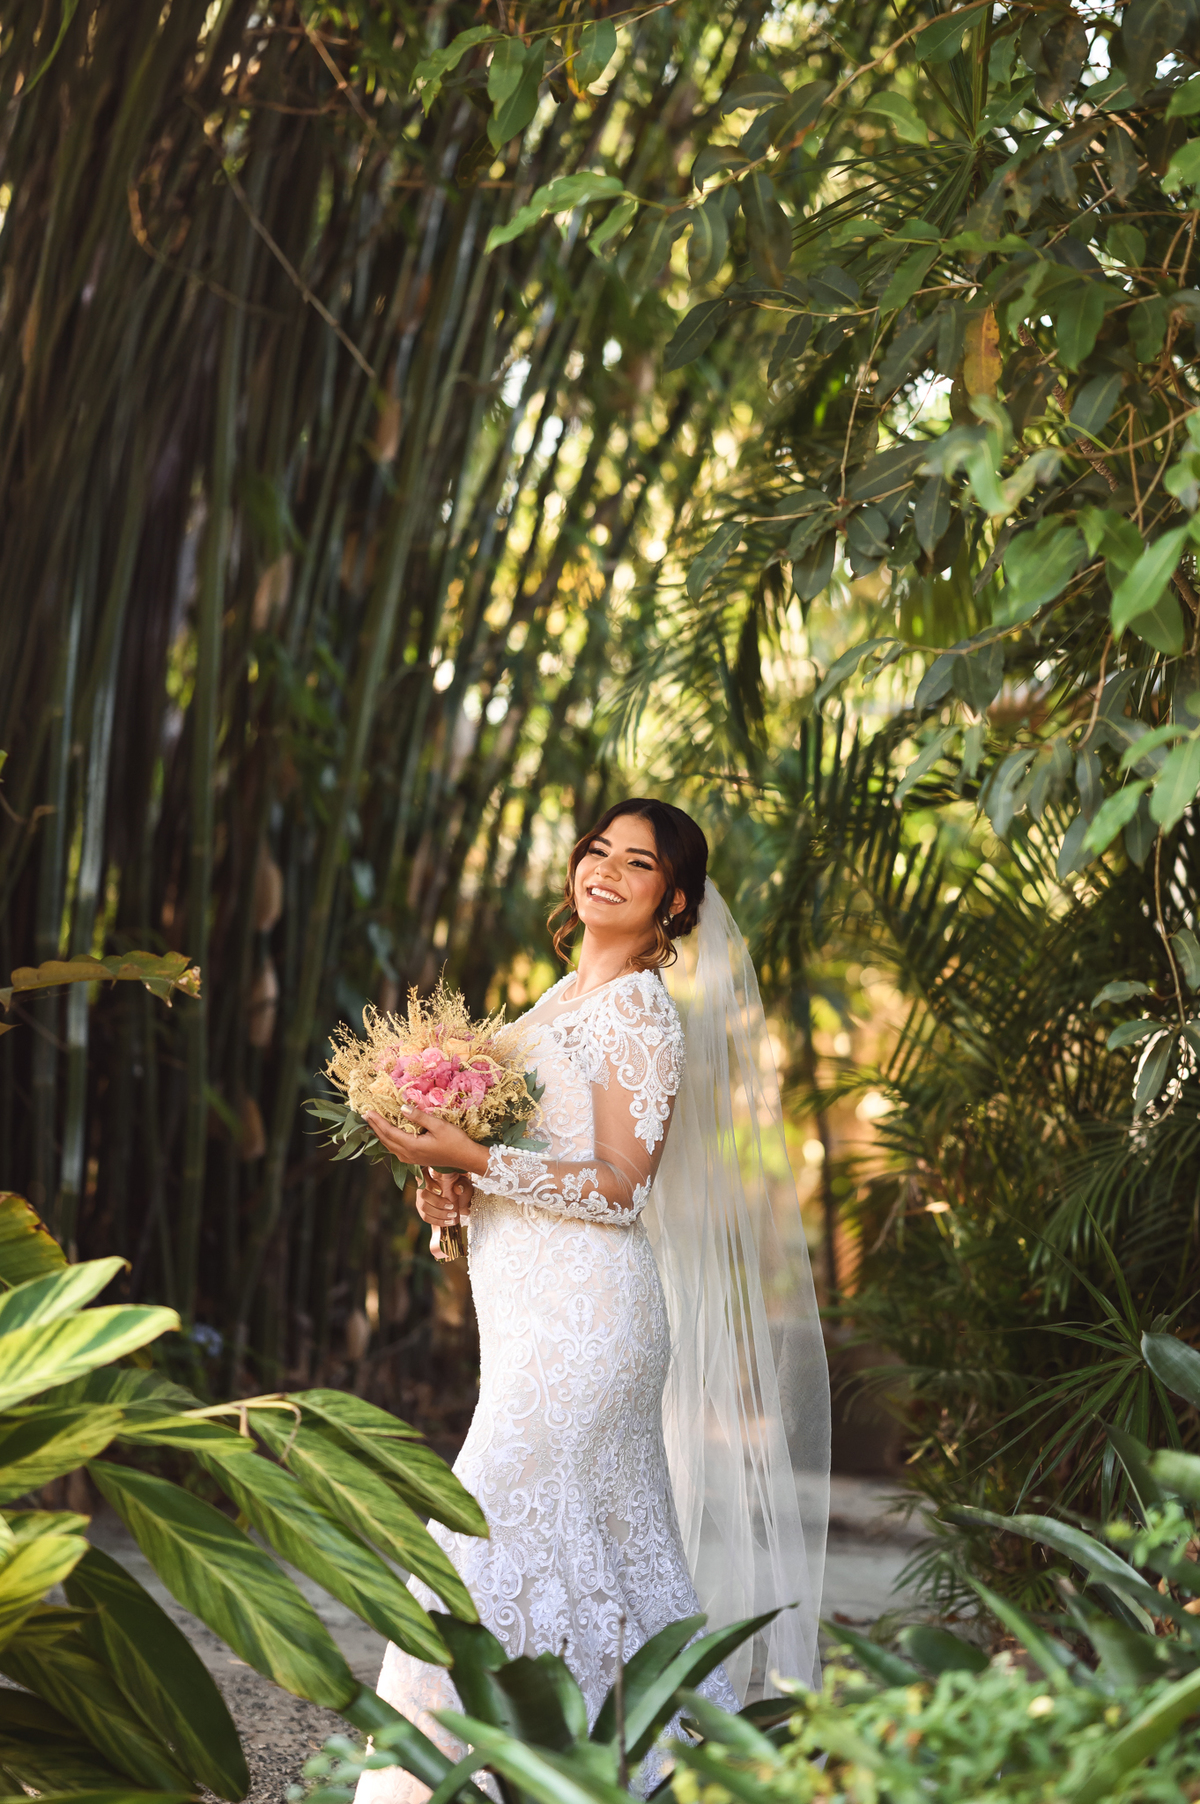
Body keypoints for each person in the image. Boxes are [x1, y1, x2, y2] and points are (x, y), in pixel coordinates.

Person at [357, 799, 829, 1800]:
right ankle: (651, 1770)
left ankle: (447, 1778)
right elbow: (520, 1168)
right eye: (598, 850)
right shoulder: (549, 1007)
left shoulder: (639, 1014)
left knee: (479, 1532)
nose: (606, 869)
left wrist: (476, 1158)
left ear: (675, 903)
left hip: (591, 1324)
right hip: (524, 1322)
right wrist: (449, 1195)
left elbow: (621, 1187)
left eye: (639, 862)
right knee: (604, 1548)